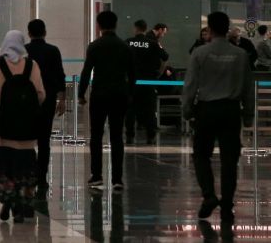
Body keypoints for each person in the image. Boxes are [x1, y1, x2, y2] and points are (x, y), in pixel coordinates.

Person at [182, 11, 254, 225]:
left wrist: (186, 110)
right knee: (229, 160)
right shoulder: (240, 55)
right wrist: (248, 115)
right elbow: (248, 88)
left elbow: (190, 85)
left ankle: (209, 195)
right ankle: (227, 206)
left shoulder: (200, 53)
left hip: (206, 110)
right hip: (231, 110)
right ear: (228, 27)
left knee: (201, 155)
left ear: (210, 29)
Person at [0, 30, 46, 223]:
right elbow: (40, 94)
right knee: (24, 170)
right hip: (25, 132)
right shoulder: (32, 65)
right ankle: (20, 204)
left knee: (4, 169)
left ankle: (8, 201)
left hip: (0, 131)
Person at [78, 11, 135, 191]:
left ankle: (96, 176)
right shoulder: (124, 47)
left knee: (96, 135)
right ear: (116, 24)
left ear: (99, 25)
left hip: (100, 95)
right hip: (119, 94)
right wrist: (130, 93)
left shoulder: (95, 46)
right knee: (117, 135)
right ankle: (117, 179)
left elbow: (87, 71)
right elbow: (133, 74)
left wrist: (81, 93)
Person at [24, 19, 66, 196]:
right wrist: (62, 99)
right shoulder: (53, 51)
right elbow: (60, 75)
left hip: (27, 101)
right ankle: (42, 177)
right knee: (44, 141)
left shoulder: (24, 51)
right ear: (45, 32)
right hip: (47, 100)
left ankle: (29, 173)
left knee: (26, 140)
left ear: (29, 32)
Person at [125, 20, 168, 145]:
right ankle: (151, 136)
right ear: (145, 29)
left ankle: (129, 136)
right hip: (148, 81)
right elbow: (165, 56)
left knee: (130, 110)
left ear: (135, 28)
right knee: (150, 110)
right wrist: (159, 73)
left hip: (132, 81)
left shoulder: (128, 42)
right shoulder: (153, 43)